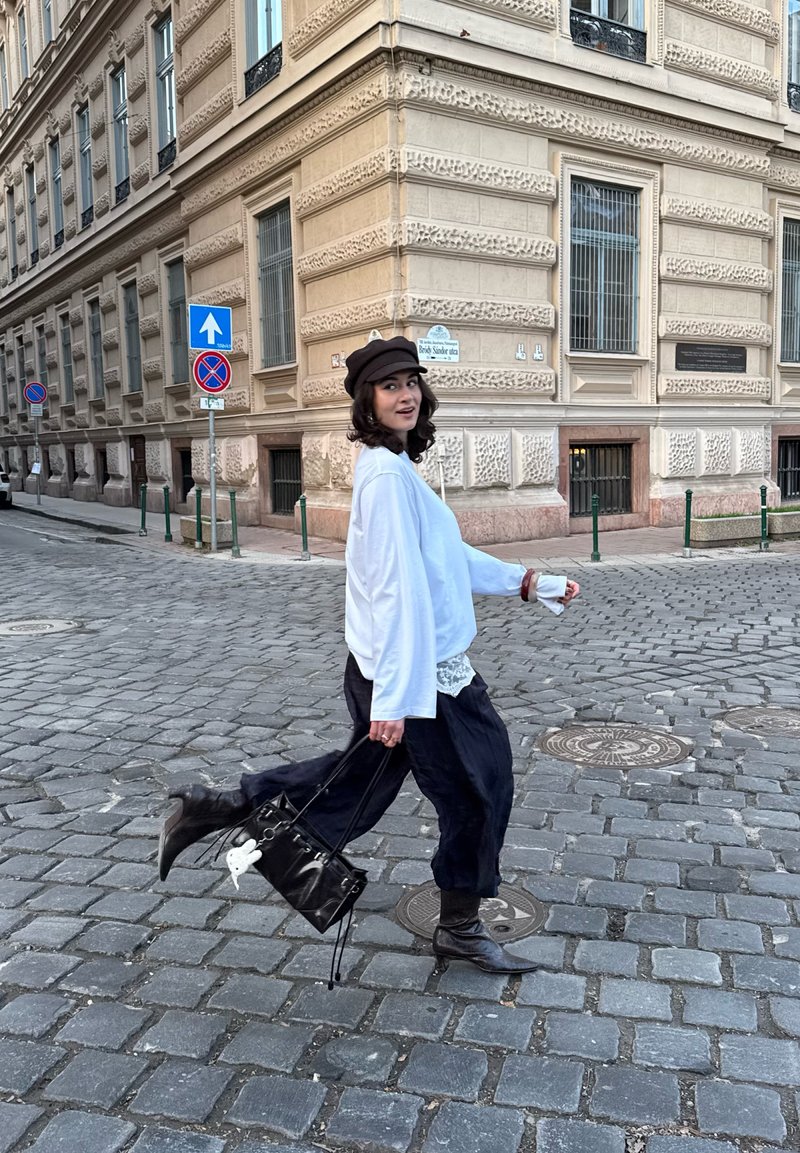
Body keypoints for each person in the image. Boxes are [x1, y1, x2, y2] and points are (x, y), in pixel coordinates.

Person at [159, 336, 579, 973]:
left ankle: (217, 806)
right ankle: (460, 929)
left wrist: (528, 582)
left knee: (360, 780)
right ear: (367, 400)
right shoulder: (384, 476)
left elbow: (443, 559)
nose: (405, 394)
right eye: (389, 386)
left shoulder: (396, 467)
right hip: (418, 677)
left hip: (408, 670)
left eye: (411, 382)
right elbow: (395, 590)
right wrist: (395, 699)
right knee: (480, 786)